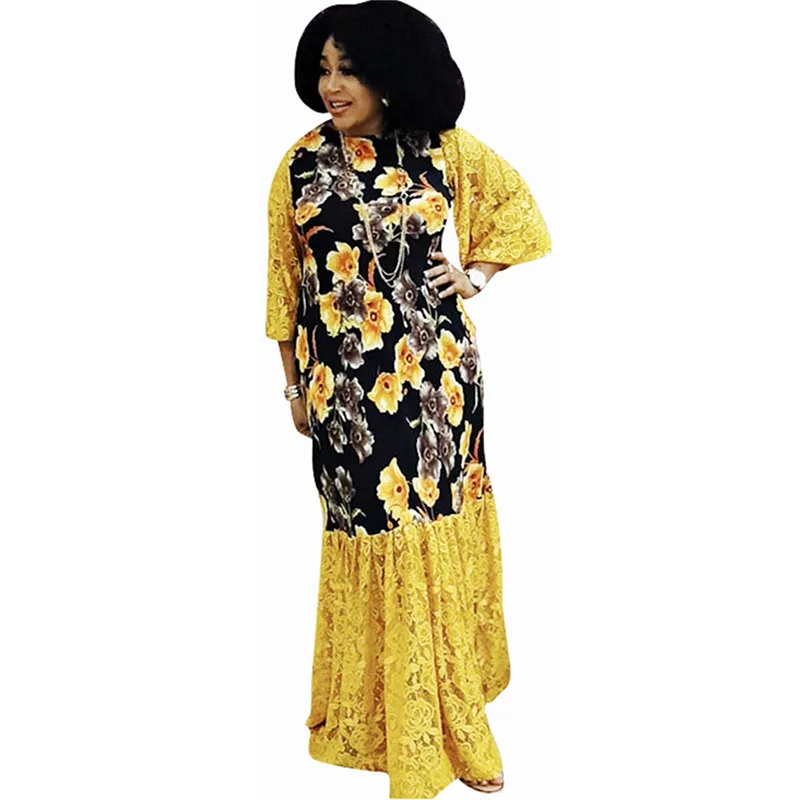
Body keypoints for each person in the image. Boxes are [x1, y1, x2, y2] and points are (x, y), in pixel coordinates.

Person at [264, 1, 551, 796]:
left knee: (433, 529)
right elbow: (283, 287)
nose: (332, 85)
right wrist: (292, 386)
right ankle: (383, 718)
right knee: (375, 530)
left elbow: (517, 210)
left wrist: (477, 274)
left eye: (349, 70)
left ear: (390, 75)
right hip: (346, 395)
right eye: (324, 69)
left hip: (438, 380)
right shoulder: (299, 164)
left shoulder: (441, 148)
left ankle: (450, 719)